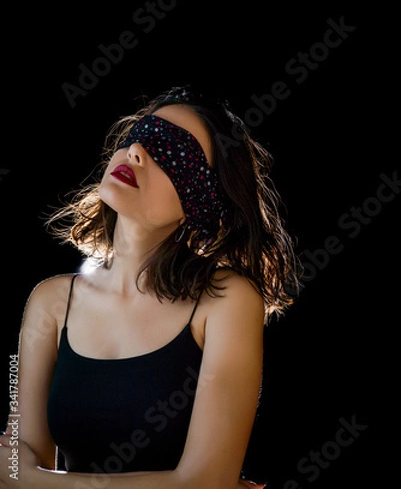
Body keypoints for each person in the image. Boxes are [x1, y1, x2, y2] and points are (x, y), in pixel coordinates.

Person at [0, 85, 301, 488]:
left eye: (173, 154)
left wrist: (37, 482)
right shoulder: (49, 301)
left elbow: (205, 482)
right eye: (139, 136)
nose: (137, 152)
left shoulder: (227, 301)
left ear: (200, 203)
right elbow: (16, 456)